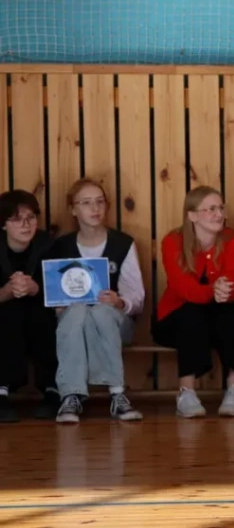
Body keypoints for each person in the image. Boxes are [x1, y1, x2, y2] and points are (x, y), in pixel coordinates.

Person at [49, 178, 145, 424]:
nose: (95, 208)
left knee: (101, 311)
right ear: (73, 209)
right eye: (86, 203)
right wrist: (58, 306)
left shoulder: (123, 243)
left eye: (100, 202)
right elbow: (53, 294)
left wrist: (119, 301)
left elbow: (137, 298)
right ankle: (71, 395)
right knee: (76, 311)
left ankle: (117, 394)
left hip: (115, 322)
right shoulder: (61, 246)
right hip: (75, 323)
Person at [153, 186, 234, 418]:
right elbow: (182, 287)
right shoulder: (172, 241)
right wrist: (212, 291)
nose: (219, 214)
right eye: (211, 209)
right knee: (191, 314)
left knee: (233, 313)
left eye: (221, 208)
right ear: (192, 215)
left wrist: (223, 292)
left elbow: (232, 281)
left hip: (216, 318)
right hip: (174, 318)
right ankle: (186, 393)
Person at [0, 190, 60, 423]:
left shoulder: (48, 244)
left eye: (31, 217)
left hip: (39, 310)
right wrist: (6, 292)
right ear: (3, 224)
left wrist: (36, 288)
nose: (25, 225)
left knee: (41, 314)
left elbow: (60, 290)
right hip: (5, 309)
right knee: (9, 310)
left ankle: (51, 388)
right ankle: (2, 389)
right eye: (17, 219)